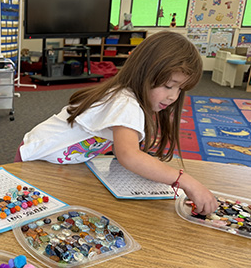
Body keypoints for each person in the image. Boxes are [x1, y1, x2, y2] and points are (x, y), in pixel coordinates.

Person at [16, 31, 217, 215]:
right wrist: (186, 182)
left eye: (180, 89)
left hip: (57, 164)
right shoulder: (125, 102)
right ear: (144, 73)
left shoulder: (126, 96)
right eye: (168, 86)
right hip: (35, 160)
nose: (173, 96)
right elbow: (129, 156)